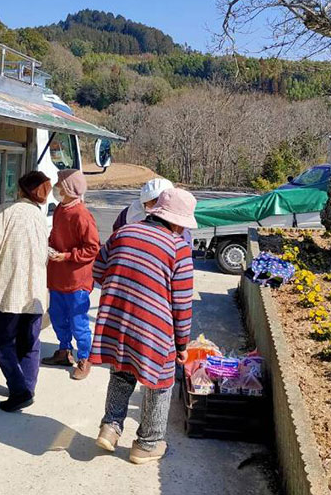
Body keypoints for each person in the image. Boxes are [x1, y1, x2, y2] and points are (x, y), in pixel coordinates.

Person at [90, 188, 197, 464]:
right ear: (177, 223)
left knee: (121, 371)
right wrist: (182, 345)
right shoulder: (178, 248)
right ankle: (147, 444)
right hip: (153, 326)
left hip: (115, 319)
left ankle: (110, 427)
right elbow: (182, 304)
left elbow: (98, 271)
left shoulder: (123, 232)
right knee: (160, 381)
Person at [0, 171, 52, 412]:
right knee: (29, 342)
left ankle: (19, 391)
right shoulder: (39, 216)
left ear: (21, 190)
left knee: (1, 341)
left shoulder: (6, 211)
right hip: (36, 291)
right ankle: (27, 388)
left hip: (10, 289)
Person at [41, 169, 100, 380]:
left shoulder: (81, 215)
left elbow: (92, 248)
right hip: (58, 277)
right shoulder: (60, 209)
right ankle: (64, 351)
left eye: (59, 183)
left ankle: (85, 357)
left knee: (78, 322)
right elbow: (56, 235)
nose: (56, 187)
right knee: (57, 317)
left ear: (68, 188)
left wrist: (67, 256)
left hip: (76, 280)